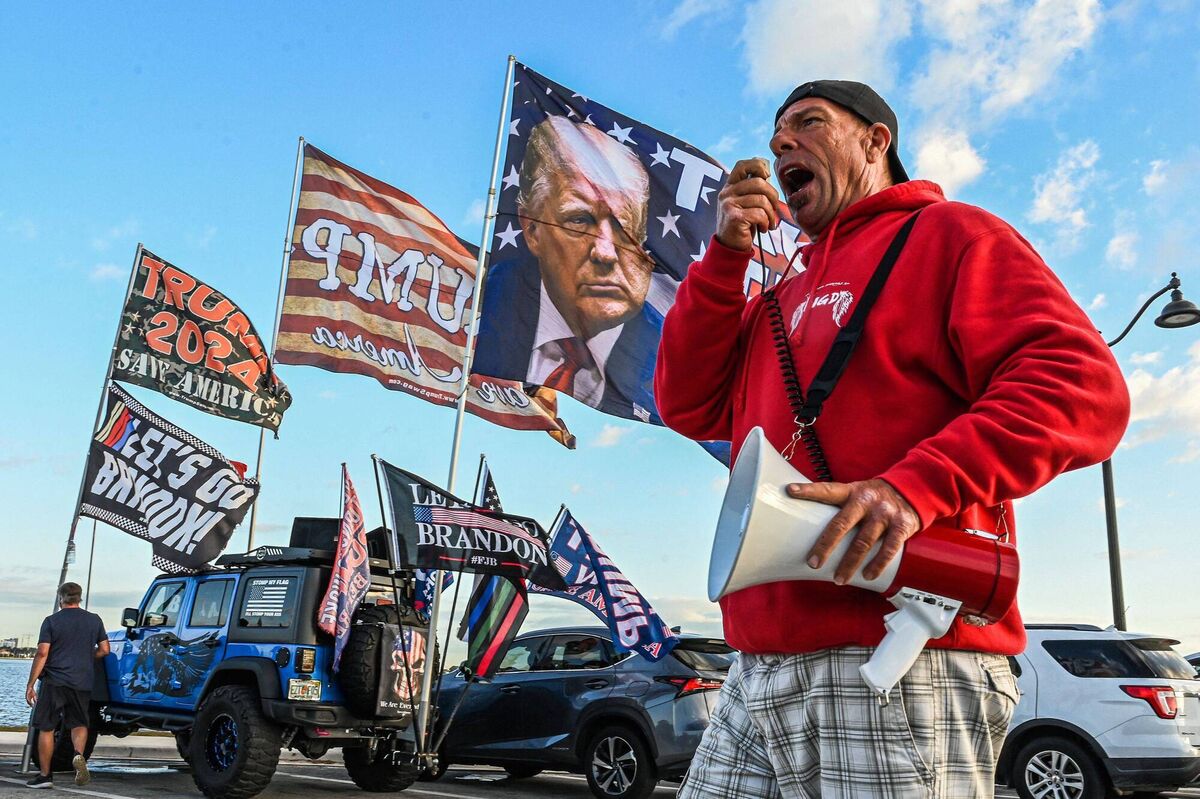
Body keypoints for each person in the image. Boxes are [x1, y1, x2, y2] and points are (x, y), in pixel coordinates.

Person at [655, 80, 1129, 798]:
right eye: (777, 132)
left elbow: (1080, 384)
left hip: (901, 653)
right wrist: (725, 257)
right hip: (759, 662)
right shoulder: (776, 296)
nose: (782, 142)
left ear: (878, 141)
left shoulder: (950, 236)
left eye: (809, 123)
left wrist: (914, 488)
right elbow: (686, 402)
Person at [473, 115, 666, 423]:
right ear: (532, 229)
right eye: (579, 220)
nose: (605, 252)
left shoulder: (670, 356)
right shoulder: (494, 309)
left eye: (624, 228)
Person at [25, 582, 109, 788]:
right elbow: (105, 649)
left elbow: (42, 652)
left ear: (60, 598)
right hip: (82, 681)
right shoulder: (94, 620)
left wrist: (31, 683)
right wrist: (87, 658)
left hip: (55, 681)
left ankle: (45, 776)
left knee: (46, 727)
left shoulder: (52, 621)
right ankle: (78, 755)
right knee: (79, 724)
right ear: (79, 597)